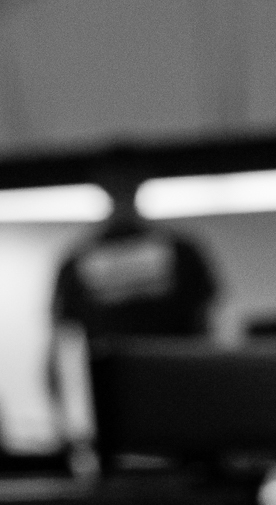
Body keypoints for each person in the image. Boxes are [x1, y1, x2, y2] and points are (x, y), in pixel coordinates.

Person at [46, 161, 221, 460]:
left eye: (127, 186)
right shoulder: (80, 259)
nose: (122, 195)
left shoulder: (180, 251)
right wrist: (63, 420)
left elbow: (207, 329)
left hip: (179, 402)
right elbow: (60, 345)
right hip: (114, 410)